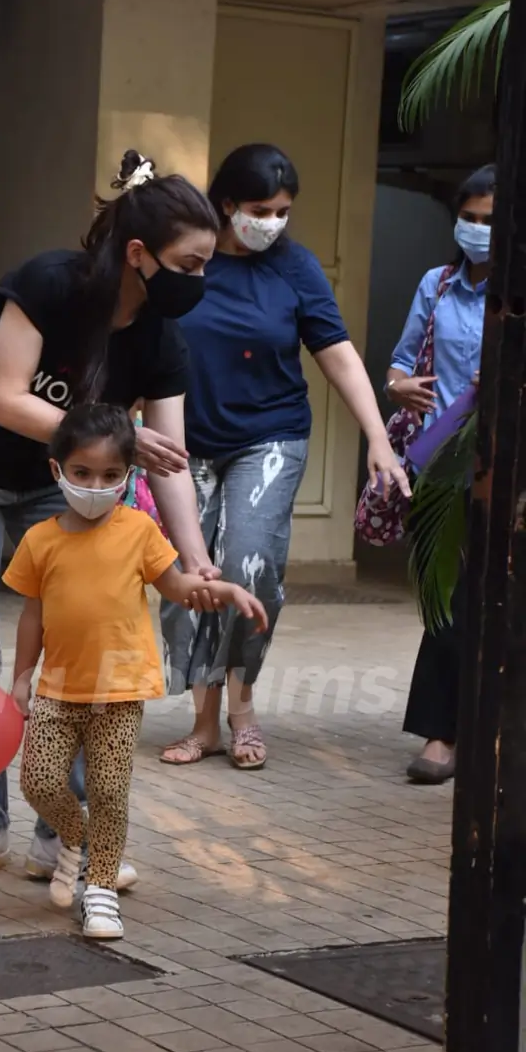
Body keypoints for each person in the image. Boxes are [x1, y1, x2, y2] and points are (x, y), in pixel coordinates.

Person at [0, 150, 222, 884]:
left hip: (63, 485)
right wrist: (115, 434)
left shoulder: (161, 341)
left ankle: (64, 831)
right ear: (140, 254)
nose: (201, 280)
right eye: (192, 263)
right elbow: (6, 399)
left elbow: (167, 458)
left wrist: (195, 555)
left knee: (81, 650)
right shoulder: (50, 283)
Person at [160, 143, 410, 769]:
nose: (272, 221)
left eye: (282, 211)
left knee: (250, 563)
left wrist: (378, 437)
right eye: (260, 209)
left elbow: (337, 352)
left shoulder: (295, 268)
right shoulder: (190, 259)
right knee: (193, 575)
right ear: (226, 205)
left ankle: (243, 709)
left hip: (268, 437)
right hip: (182, 440)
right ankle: (203, 721)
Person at [8, 404, 268, 939]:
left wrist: (220, 589)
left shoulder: (139, 531)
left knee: (108, 790)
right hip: (57, 692)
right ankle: (75, 838)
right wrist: (19, 678)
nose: (95, 485)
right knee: (38, 783)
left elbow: (176, 587)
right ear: (57, 470)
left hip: (121, 691)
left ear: (128, 476)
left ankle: (100, 889)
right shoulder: (40, 540)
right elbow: (31, 615)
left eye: (110, 475)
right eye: (82, 473)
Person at [387, 164, 494, 784]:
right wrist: (400, 389)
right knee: (445, 594)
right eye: (470, 219)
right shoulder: (439, 282)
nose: (477, 231)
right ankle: (440, 733)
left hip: (509, 467)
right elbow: (402, 361)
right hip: (444, 464)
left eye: (491, 222)